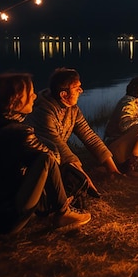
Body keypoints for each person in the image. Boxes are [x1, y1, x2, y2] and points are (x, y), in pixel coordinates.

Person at [0, 72, 91, 236]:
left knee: (40, 159)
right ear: (15, 100)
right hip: (3, 220)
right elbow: (52, 160)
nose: (35, 96)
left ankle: (58, 208)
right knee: (45, 159)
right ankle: (63, 213)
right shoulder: (17, 132)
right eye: (30, 93)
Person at [26, 67, 120, 199]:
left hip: (55, 156)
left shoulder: (72, 109)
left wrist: (113, 170)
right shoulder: (43, 112)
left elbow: (89, 136)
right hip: (37, 162)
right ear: (63, 95)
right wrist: (85, 181)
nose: (81, 91)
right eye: (77, 88)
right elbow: (61, 148)